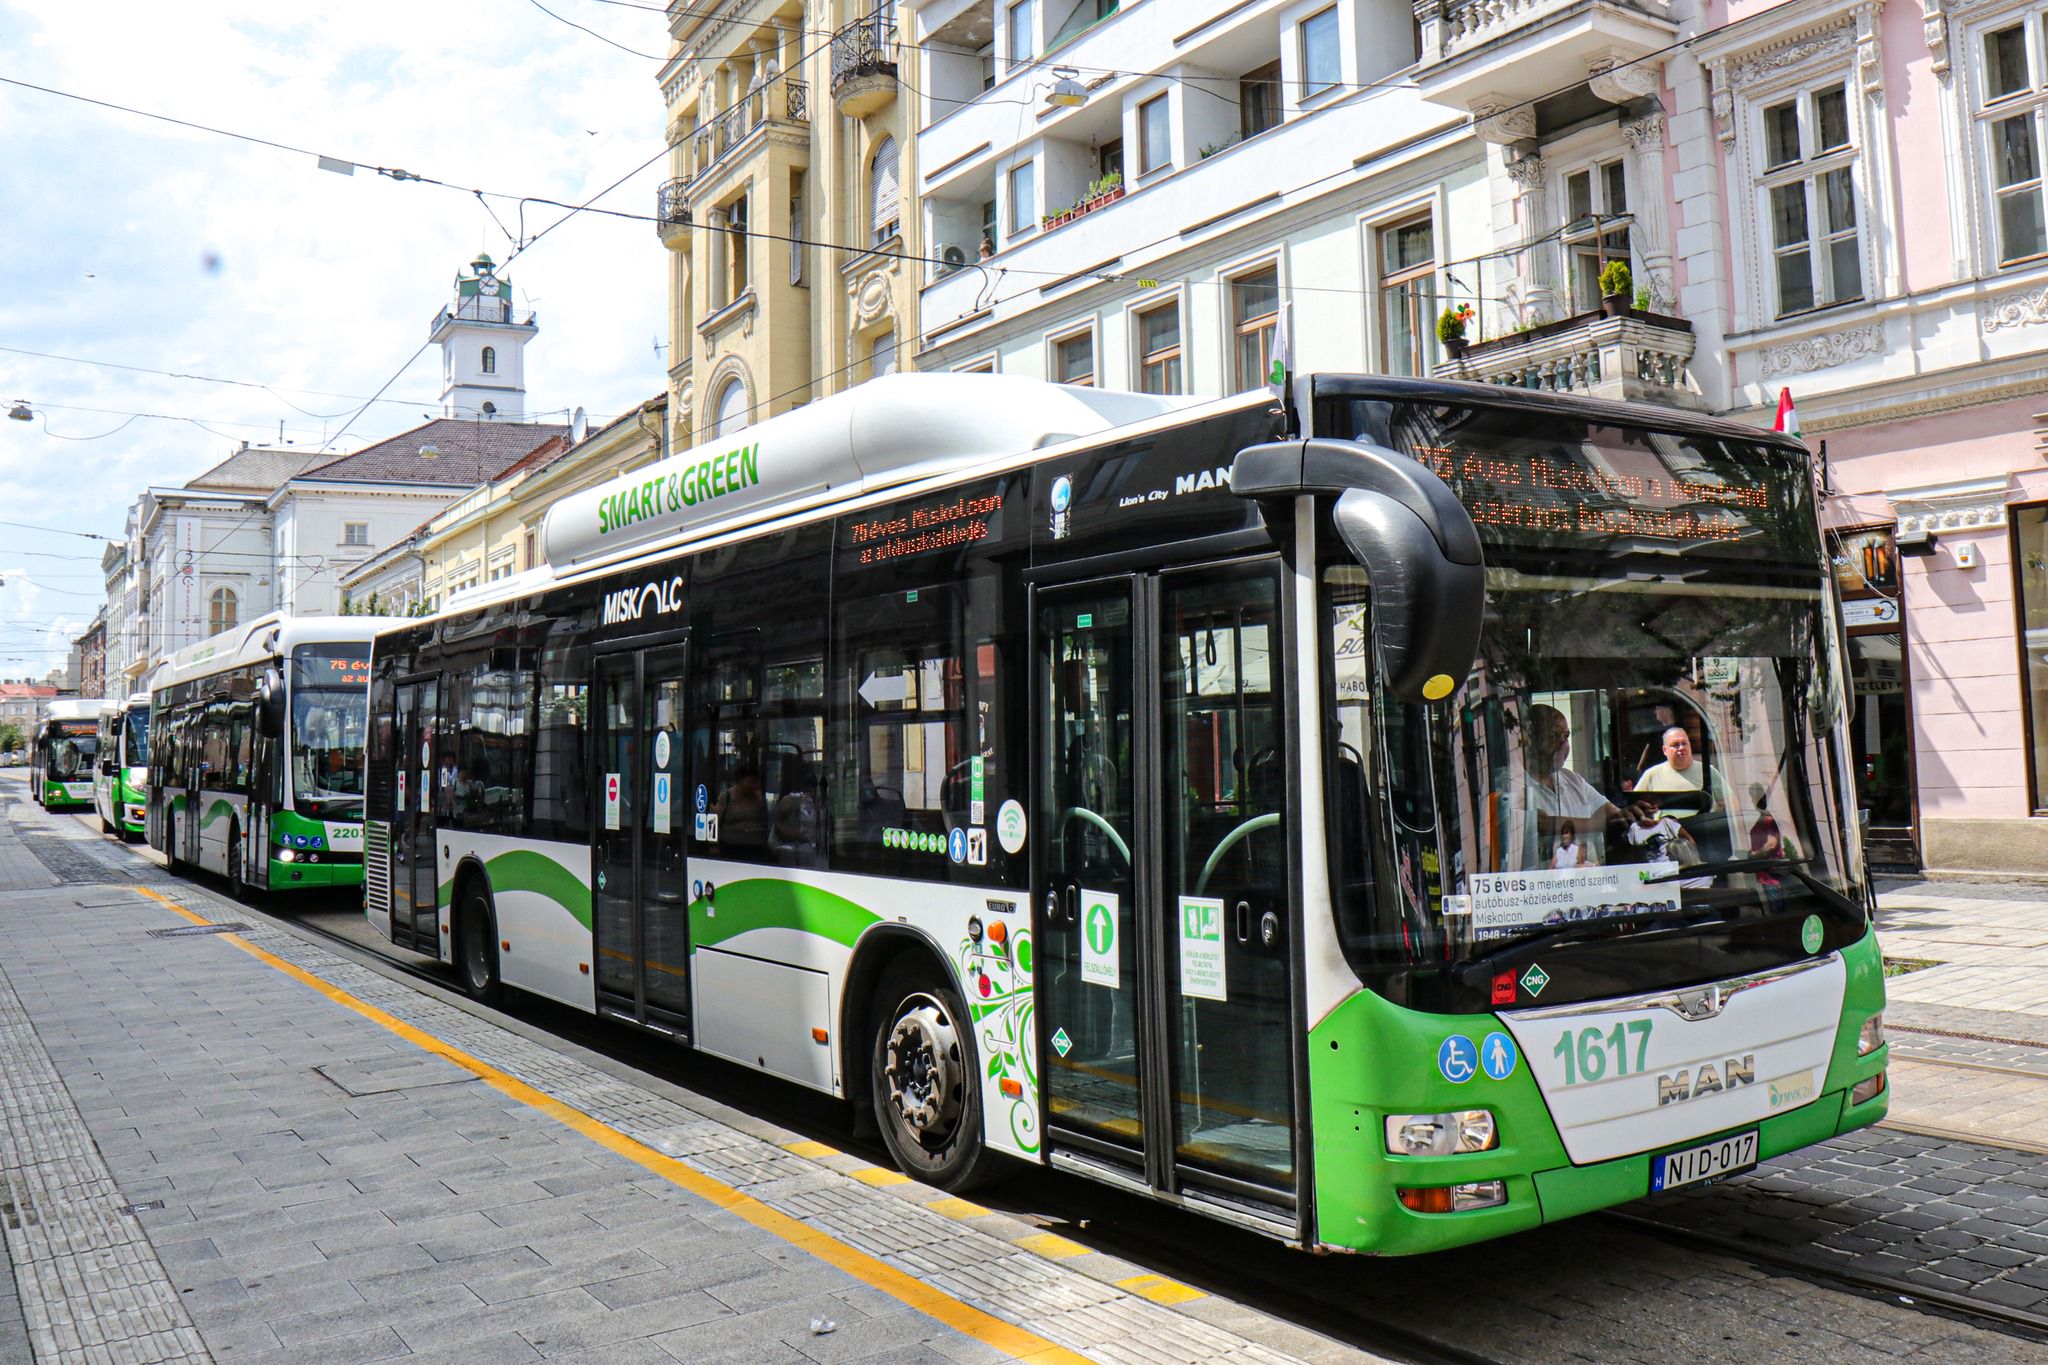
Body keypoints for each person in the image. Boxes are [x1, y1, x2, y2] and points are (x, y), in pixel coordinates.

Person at [1517, 704, 1635, 870]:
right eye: (1553, 736)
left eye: (1566, 737)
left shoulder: (1572, 779)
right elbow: (1542, 824)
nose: (1562, 744)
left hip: (1591, 884)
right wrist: (1596, 823)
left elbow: (1612, 814)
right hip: (1545, 890)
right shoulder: (1514, 785)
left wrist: (1637, 818)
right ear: (1530, 740)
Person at [1634, 723, 1736, 859]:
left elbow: (1732, 806)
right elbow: (1635, 807)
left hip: (1705, 841)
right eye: (1675, 745)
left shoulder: (1708, 771)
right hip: (1668, 847)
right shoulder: (1651, 775)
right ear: (1665, 750)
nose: (1681, 748)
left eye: (1684, 743)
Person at [1626, 796, 1709, 889]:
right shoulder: (1635, 829)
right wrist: (1643, 880)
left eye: (1653, 806)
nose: (1650, 809)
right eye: (1644, 807)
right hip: (1651, 874)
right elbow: (1635, 857)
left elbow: (1689, 842)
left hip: (1674, 871)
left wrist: (1689, 863)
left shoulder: (1667, 823)